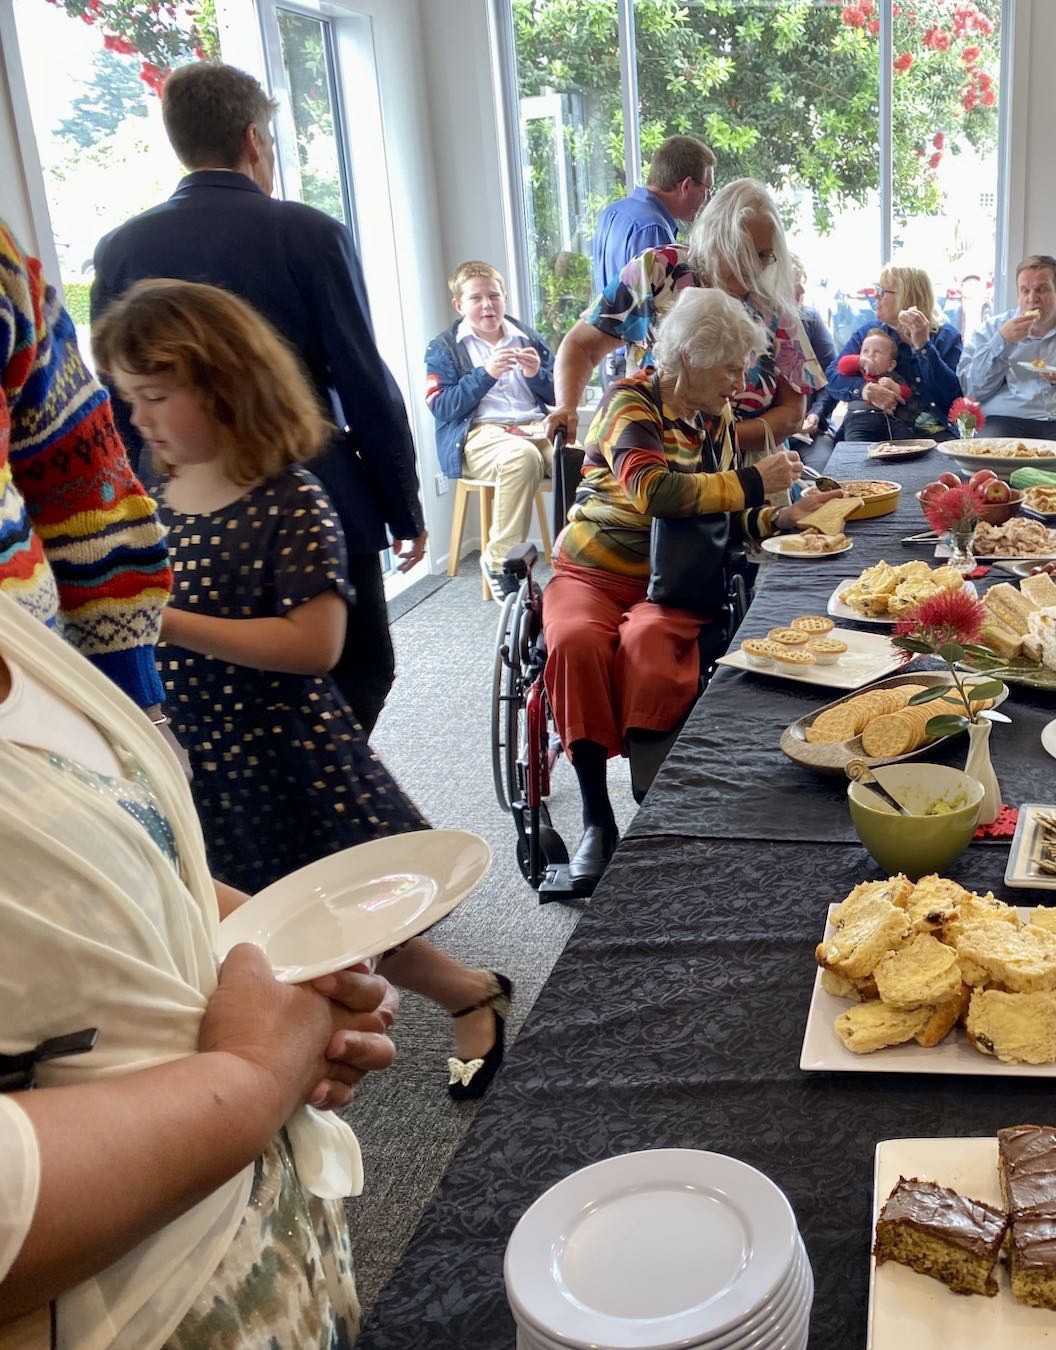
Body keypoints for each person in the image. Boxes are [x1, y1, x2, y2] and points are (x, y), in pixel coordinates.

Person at [93, 278, 513, 1102]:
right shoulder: (159, 489)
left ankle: (465, 995)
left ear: (224, 388)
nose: (136, 418)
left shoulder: (291, 500)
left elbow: (313, 646)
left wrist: (165, 621)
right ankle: (437, 1002)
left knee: (343, 910)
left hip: (284, 748)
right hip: (203, 751)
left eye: (153, 397)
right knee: (270, 919)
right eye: (128, 399)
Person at [0, 593, 399, 1345]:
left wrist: (295, 966)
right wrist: (256, 1071)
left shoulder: (19, 623)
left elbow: (117, 856)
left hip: (247, 1245)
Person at [91, 62, 426, 734]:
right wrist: (401, 505)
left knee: (225, 677)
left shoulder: (119, 249)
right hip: (318, 487)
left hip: (186, 509)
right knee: (360, 669)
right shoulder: (309, 232)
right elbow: (361, 377)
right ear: (253, 139)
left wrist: (140, 516)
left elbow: (122, 410)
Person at [544, 289, 840, 891]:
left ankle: (654, 805)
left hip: (672, 579)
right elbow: (653, 492)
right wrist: (754, 481)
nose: (740, 382)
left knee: (650, 641)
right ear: (693, 356)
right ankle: (597, 819)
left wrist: (784, 517)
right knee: (574, 640)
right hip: (593, 570)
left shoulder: (717, 420)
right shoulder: (631, 402)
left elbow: (724, 520)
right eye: (731, 367)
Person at [0, 222, 173, 722]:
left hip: (26, 699)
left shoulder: (5, 270)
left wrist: (131, 700)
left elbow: (81, 484)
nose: (140, 418)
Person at [549, 178, 825, 458]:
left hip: (751, 467)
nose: (754, 268)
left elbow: (793, 412)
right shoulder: (658, 271)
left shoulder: (772, 298)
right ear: (715, 239)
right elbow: (582, 345)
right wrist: (566, 407)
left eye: (764, 255)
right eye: (743, 253)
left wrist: (714, 442)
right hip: (655, 455)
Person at [425, 261, 557, 597]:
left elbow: (558, 392)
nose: (487, 305)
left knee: (578, 458)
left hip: (534, 428)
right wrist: (485, 374)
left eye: (494, 296)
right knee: (521, 458)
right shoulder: (443, 348)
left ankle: (580, 558)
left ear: (505, 297)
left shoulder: (526, 335)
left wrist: (536, 374)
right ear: (459, 305)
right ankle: (499, 561)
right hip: (480, 435)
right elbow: (442, 406)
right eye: (476, 298)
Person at [957, 255, 1056, 462]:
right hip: (1006, 421)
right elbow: (972, 390)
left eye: (1041, 289)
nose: (1032, 298)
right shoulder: (993, 330)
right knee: (983, 457)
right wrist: (1002, 342)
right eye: (1025, 291)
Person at [829, 264, 965, 438]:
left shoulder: (945, 336)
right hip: (870, 425)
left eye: (882, 291)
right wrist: (865, 389)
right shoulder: (869, 333)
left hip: (930, 431)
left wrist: (923, 347)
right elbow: (833, 377)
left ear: (906, 297)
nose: (875, 295)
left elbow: (952, 397)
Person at [589, 135, 715, 297]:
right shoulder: (653, 228)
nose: (708, 200)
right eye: (707, 191)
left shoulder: (612, 212)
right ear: (687, 186)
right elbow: (661, 307)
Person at [832, 328, 943, 442]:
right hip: (859, 418)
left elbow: (907, 394)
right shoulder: (857, 372)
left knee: (906, 439)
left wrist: (895, 387)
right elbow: (842, 365)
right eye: (865, 351)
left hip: (889, 419)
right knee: (856, 446)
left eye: (877, 352)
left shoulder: (893, 376)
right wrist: (861, 362)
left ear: (891, 365)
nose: (870, 355)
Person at [792, 262, 838, 463]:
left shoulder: (810, 320)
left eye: (802, 282)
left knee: (824, 479)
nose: (802, 290)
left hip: (811, 433)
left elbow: (832, 377)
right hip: (768, 438)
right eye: (793, 283)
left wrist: (815, 415)